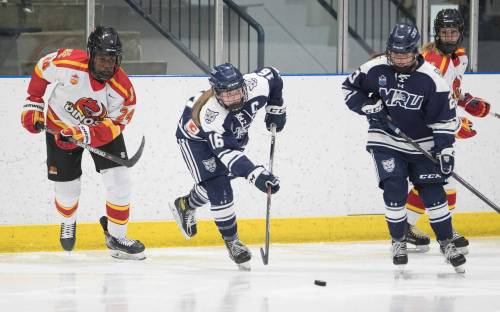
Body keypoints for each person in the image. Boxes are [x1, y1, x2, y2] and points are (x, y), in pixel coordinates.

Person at [342, 23, 466, 273]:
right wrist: (368, 106)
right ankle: (398, 241)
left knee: (434, 195)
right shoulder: (374, 67)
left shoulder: (432, 79)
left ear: (415, 52)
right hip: (386, 139)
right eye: (395, 53)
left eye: (405, 54)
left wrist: (445, 150)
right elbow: (349, 89)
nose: (399, 58)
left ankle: (446, 243)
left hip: (423, 143)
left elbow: (443, 120)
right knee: (395, 188)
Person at [20, 26, 145, 260]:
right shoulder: (68, 63)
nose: (108, 65)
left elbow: (116, 125)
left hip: (101, 131)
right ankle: (68, 221)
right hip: (59, 124)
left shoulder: (123, 89)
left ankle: (117, 237)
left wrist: (84, 133)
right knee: (67, 190)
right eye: (102, 58)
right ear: (90, 54)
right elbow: (41, 68)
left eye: (113, 59)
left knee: (120, 181)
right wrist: (33, 102)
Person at [170, 63, 286, 270]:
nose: (234, 98)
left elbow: (274, 75)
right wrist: (256, 175)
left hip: (231, 133)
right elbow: (228, 155)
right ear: (216, 93)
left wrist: (275, 108)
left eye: (237, 92)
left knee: (217, 181)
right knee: (219, 186)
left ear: (243, 86)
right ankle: (233, 242)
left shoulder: (255, 84)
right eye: (227, 94)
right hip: (195, 139)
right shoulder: (211, 115)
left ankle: (186, 204)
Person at [404, 9, 491, 255]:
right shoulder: (429, 63)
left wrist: (468, 101)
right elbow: (425, 106)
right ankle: (444, 231)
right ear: (437, 33)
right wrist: (456, 125)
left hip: (438, 131)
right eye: (444, 33)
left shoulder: (460, 58)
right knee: (445, 182)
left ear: (460, 34)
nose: (449, 37)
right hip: (423, 131)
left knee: (432, 181)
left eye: (453, 33)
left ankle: (405, 228)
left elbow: (451, 94)